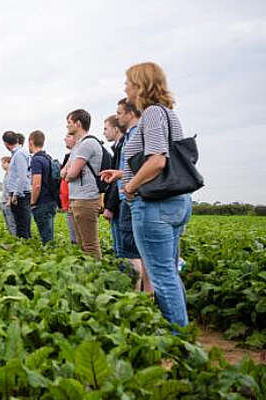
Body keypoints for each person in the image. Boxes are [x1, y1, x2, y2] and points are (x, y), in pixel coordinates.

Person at [101, 62, 193, 329]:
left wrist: (130, 187)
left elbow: (157, 161)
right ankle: (182, 332)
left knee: (161, 274)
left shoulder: (152, 113)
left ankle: (177, 340)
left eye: (128, 82)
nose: (125, 87)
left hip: (156, 204)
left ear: (140, 85)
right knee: (169, 272)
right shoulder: (167, 113)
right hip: (175, 202)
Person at [114, 98, 152, 293]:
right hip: (129, 195)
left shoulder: (137, 133)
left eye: (120, 113)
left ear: (130, 113)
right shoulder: (131, 135)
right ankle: (144, 294)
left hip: (133, 197)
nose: (117, 116)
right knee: (138, 251)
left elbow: (147, 166)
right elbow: (133, 167)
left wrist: (128, 187)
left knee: (135, 252)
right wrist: (119, 174)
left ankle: (139, 294)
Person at [61, 109, 102, 259]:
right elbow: (64, 171)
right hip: (77, 198)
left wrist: (68, 173)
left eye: (69, 123)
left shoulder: (88, 143)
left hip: (86, 199)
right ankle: (89, 273)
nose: (67, 126)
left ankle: (97, 276)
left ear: (78, 124)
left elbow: (70, 173)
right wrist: (68, 172)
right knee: (81, 244)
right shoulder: (77, 146)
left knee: (90, 245)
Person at [27, 130, 57, 243]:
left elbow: (36, 185)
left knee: (46, 239)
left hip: (42, 202)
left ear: (31, 142)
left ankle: (50, 257)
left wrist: (32, 202)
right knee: (49, 235)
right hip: (51, 201)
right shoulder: (47, 158)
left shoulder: (36, 159)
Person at [2, 131, 32, 238]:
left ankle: (26, 250)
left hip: (21, 195)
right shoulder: (17, 154)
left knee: (22, 227)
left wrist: (15, 195)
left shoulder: (19, 154)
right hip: (19, 195)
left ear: (5, 143)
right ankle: (24, 249)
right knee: (20, 226)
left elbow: (22, 177)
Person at [102, 115, 124, 258]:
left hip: (119, 205)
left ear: (116, 129)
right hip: (118, 204)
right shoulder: (117, 148)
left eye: (106, 128)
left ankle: (130, 278)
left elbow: (118, 182)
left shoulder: (122, 147)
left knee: (122, 247)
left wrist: (110, 207)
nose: (104, 132)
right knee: (119, 246)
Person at [61, 135, 77, 244]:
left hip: (75, 199)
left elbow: (67, 175)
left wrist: (65, 172)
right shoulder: (69, 156)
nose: (64, 139)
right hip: (68, 201)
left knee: (78, 238)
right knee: (73, 237)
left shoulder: (78, 156)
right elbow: (62, 174)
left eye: (68, 136)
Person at [0, 156, 17, 236]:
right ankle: (12, 238)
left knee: (11, 223)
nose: (2, 165)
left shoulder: (11, 174)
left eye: (3, 163)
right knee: (8, 224)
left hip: (8, 202)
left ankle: (15, 240)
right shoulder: (6, 174)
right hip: (4, 201)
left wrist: (9, 201)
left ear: (9, 163)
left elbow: (12, 189)